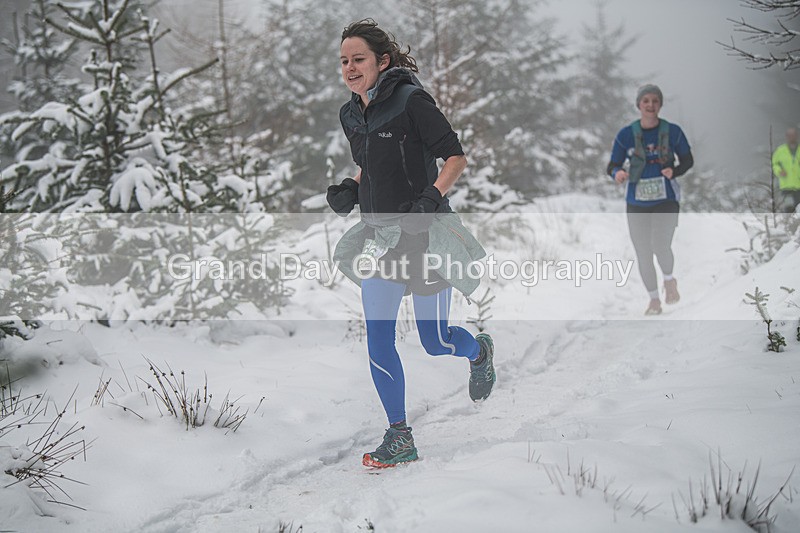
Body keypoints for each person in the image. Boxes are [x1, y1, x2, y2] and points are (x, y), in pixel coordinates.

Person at [327, 19, 496, 468]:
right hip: (383, 239)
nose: (349, 67)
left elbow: (455, 157)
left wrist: (430, 199)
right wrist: (351, 185)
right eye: (344, 61)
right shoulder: (351, 113)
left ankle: (479, 351)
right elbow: (372, 165)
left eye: (358, 59)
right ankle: (399, 435)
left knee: (435, 341)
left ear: (382, 61)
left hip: (423, 235)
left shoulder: (411, 101)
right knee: (379, 339)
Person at [607, 84, 694, 315]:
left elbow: (687, 160)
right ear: (639, 105)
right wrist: (618, 173)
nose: (650, 105)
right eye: (645, 100)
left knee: (660, 245)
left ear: (660, 104)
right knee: (643, 251)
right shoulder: (626, 134)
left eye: (655, 100)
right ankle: (654, 300)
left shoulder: (672, 131)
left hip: (666, 198)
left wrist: (673, 171)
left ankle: (669, 280)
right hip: (636, 202)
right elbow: (612, 165)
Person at [772, 127, 800, 212]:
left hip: (799, 186)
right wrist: (779, 171)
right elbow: (774, 164)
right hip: (786, 187)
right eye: (790, 135)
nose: (792, 137)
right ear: (786, 137)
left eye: (793, 135)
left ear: (797, 136)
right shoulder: (780, 151)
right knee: (789, 211)